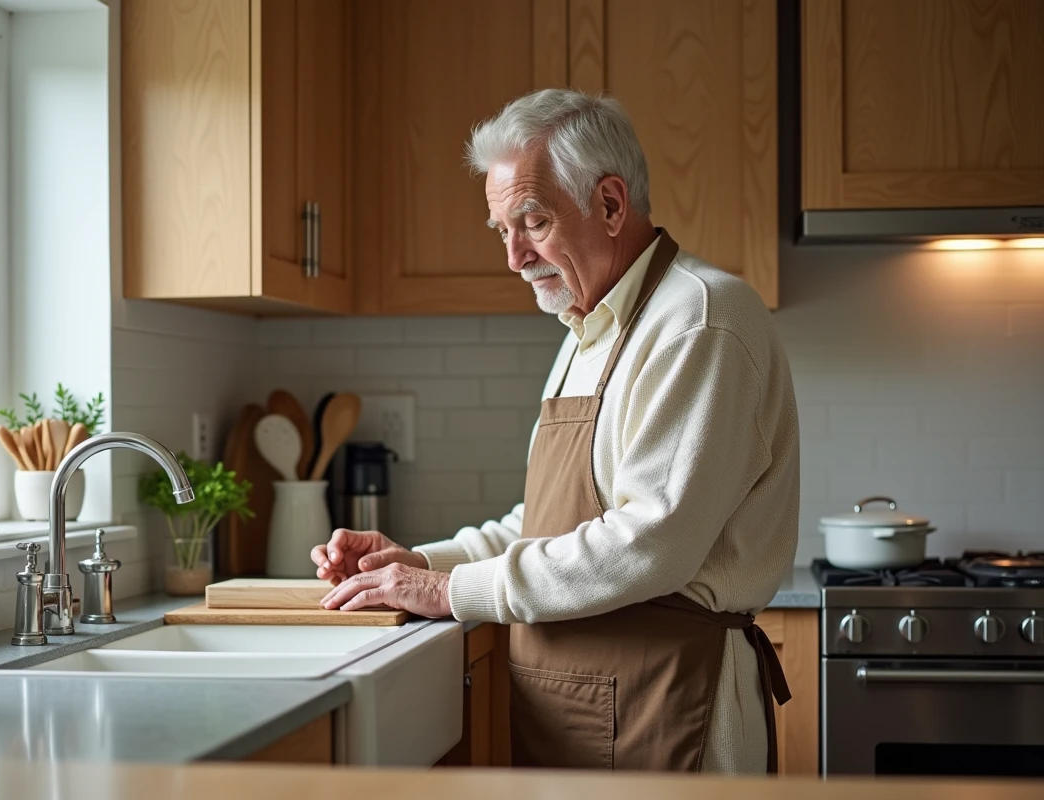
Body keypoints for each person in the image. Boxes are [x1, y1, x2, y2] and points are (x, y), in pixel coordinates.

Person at [311, 88, 799, 774]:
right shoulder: (585, 328)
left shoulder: (699, 321)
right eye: (501, 230)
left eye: (532, 222)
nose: (513, 256)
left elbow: (648, 545)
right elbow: (546, 525)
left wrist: (452, 593)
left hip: (672, 704)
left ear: (609, 204)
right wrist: (419, 563)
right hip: (581, 703)